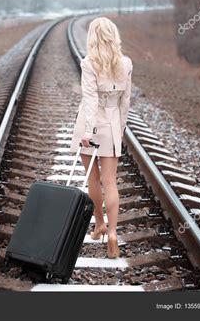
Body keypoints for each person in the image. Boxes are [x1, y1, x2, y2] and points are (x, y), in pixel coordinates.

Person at [70, 17, 133, 259]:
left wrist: (88, 130)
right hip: (113, 124)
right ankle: (113, 233)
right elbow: (125, 101)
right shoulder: (126, 63)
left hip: (92, 125)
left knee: (93, 182)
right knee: (111, 183)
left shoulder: (89, 63)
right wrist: (121, 127)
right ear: (113, 36)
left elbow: (90, 99)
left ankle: (99, 224)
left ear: (93, 38)